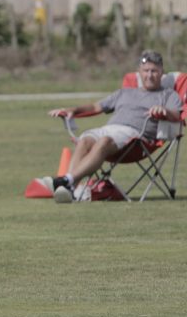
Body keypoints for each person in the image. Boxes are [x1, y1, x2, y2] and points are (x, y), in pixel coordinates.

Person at [38, 50, 182, 203]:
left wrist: (164, 111)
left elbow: (178, 116)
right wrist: (73, 110)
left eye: (154, 71)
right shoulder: (124, 93)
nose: (149, 75)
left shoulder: (168, 95)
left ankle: (66, 180)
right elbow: (96, 107)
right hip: (110, 129)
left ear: (161, 72)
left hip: (136, 139)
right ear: (139, 72)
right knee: (85, 139)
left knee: (104, 141)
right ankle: (70, 187)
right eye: (146, 71)